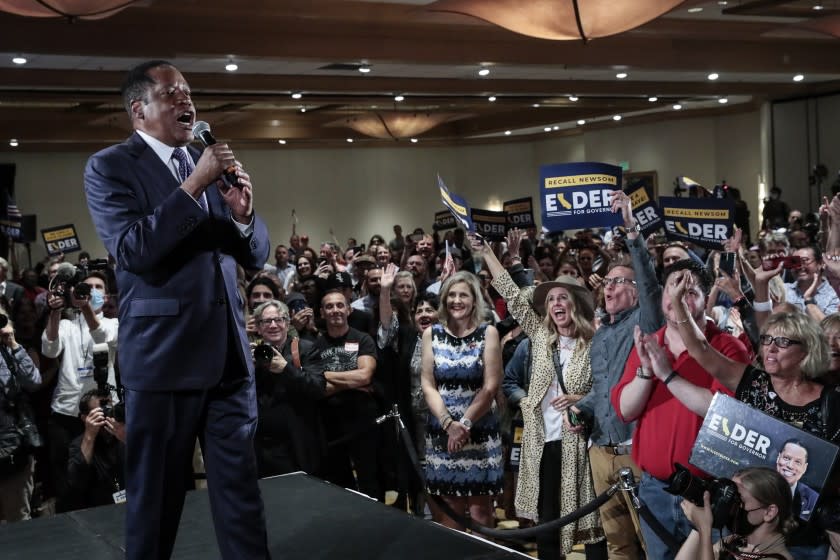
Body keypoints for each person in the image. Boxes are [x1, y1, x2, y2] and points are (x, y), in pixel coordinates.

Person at [84, 60, 270, 559]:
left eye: (188, 92)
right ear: (138, 110)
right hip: (165, 361)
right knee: (157, 503)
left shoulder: (206, 162)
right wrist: (193, 188)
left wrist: (244, 215)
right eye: (171, 94)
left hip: (228, 358)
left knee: (241, 498)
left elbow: (255, 255)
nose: (186, 100)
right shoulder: (110, 167)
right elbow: (134, 250)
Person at [668, 275, 836, 558]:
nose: (770, 347)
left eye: (783, 342)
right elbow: (700, 349)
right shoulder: (752, 381)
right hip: (748, 531)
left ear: (807, 350)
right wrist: (677, 303)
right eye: (768, 339)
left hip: (806, 539)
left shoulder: (832, 402)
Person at [611, 260, 751, 560]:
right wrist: (647, 371)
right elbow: (625, 410)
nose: (678, 299)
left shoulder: (727, 347)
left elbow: (723, 413)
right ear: (662, 296)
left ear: (705, 299)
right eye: (673, 289)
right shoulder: (650, 343)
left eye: (689, 292)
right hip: (655, 489)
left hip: (709, 495)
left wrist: (668, 376)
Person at [478, 237, 605, 559]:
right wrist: (487, 252)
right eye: (550, 300)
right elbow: (510, 292)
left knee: (592, 519)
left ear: (576, 303)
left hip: (579, 442)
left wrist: (580, 397)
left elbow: (607, 388)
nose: (556, 304)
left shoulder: (594, 344)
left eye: (562, 297)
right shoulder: (540, 337)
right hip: (541, 439)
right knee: (547, 520)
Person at [420, 271, 503, 532]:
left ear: (474, 300)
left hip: (479, 432)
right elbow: (427, 384)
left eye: (463, 295)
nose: (457, 300)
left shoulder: (488, 333)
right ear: (444, 300)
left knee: (481, 513)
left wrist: (464, 424)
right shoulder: (430, 335)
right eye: (452, 295)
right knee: (449, 512)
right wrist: (449, 424)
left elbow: (490, 387)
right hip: (443, 434)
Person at [41, 271, 119, 513]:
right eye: (87, 287)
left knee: (106, 480)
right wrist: (54, 310)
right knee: (68, 483)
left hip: (104, 412)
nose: (92, 291)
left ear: (105, 296)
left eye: (97, 287)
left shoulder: (113, 323)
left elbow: (101, 336)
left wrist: (84, 307)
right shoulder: (66, 324)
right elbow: (50, 349)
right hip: (67, 413)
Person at [252, 300, 326, 477]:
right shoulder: (252, 355)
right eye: (266, 321)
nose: (273, 325)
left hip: (298, 444)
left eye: (278, 320)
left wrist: (286, 369)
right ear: (258, 328)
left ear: (287, 323)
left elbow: (318, 389)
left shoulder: (305, 348)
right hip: (261, 446)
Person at [675, 467, 796, 560]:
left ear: (769, 512)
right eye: (729, 498)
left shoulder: (776, 557)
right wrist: (701, 519)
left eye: (738, 500)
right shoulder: (734, 542)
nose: (729, 507)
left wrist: (704, 529)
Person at [0, 313, 42, 522]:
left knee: (18, 517)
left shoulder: (10, 352)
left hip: (13, 446)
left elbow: (34, 382)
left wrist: (13, 344)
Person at [65, 389, 126, 511]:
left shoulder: (123, 435)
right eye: (101, 411)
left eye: (109, 408)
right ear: (84, 418)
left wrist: (125, 437)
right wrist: (89, 435)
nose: (108, 414)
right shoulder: (79, 444)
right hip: (100, 511)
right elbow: (76, 482)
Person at [775, 439, 819, 522]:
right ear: (778, 458)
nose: (790, 466)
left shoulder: (813, 499)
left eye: (798, 462)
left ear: (804, 468)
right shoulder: (755, 483)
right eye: (787, 458)